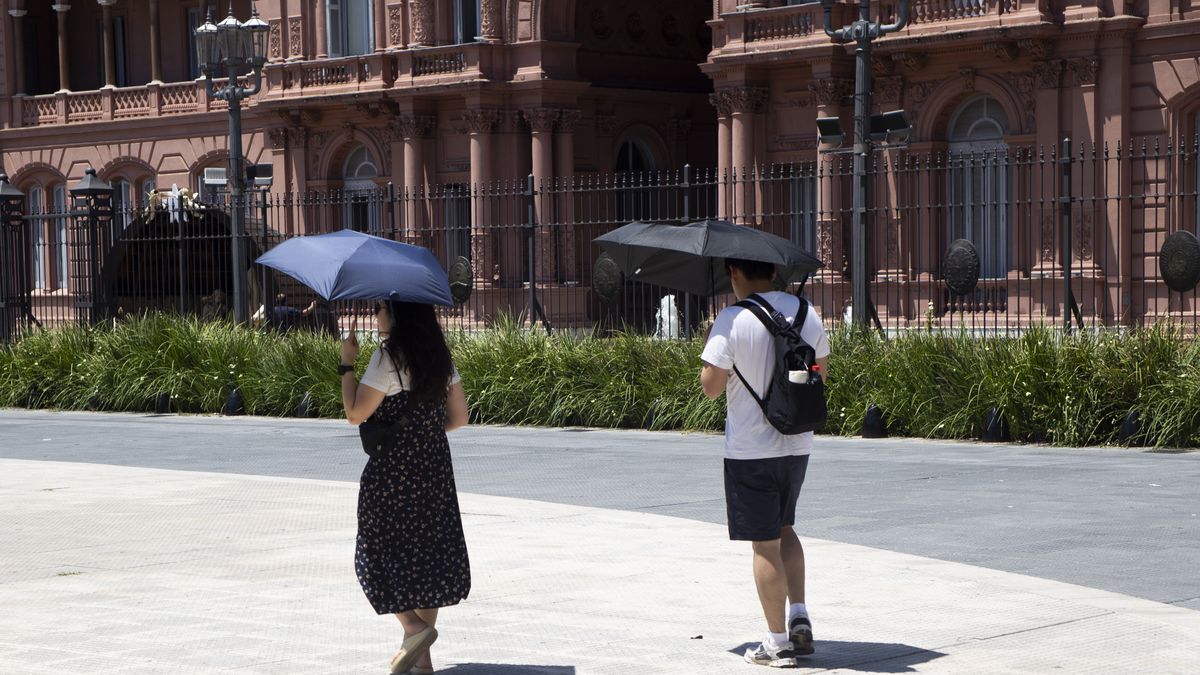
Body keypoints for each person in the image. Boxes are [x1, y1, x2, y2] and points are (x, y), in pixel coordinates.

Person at [699, 258, 830, 669]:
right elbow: (819, 377)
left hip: (752, 450)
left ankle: (776, 643)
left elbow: (710, 389)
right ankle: (799, 614)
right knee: (785, 526)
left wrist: (716, 346)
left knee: (764, 544)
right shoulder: (808, 313)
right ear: (775, 272)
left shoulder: (732, 318)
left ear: (734, 273)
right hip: (797, 443)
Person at [340, 299, 471, 675]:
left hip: (392, 475)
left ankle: (413, 629)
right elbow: (460, 417)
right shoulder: (439, 357)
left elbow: (354, 413)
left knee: (374, 555)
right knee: (427, 561)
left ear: (396, 314)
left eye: (379, 307)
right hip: (433, 471)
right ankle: (421, 662)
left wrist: (346, 363)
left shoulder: (388, 358)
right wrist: (424, 435)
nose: (375, 314)